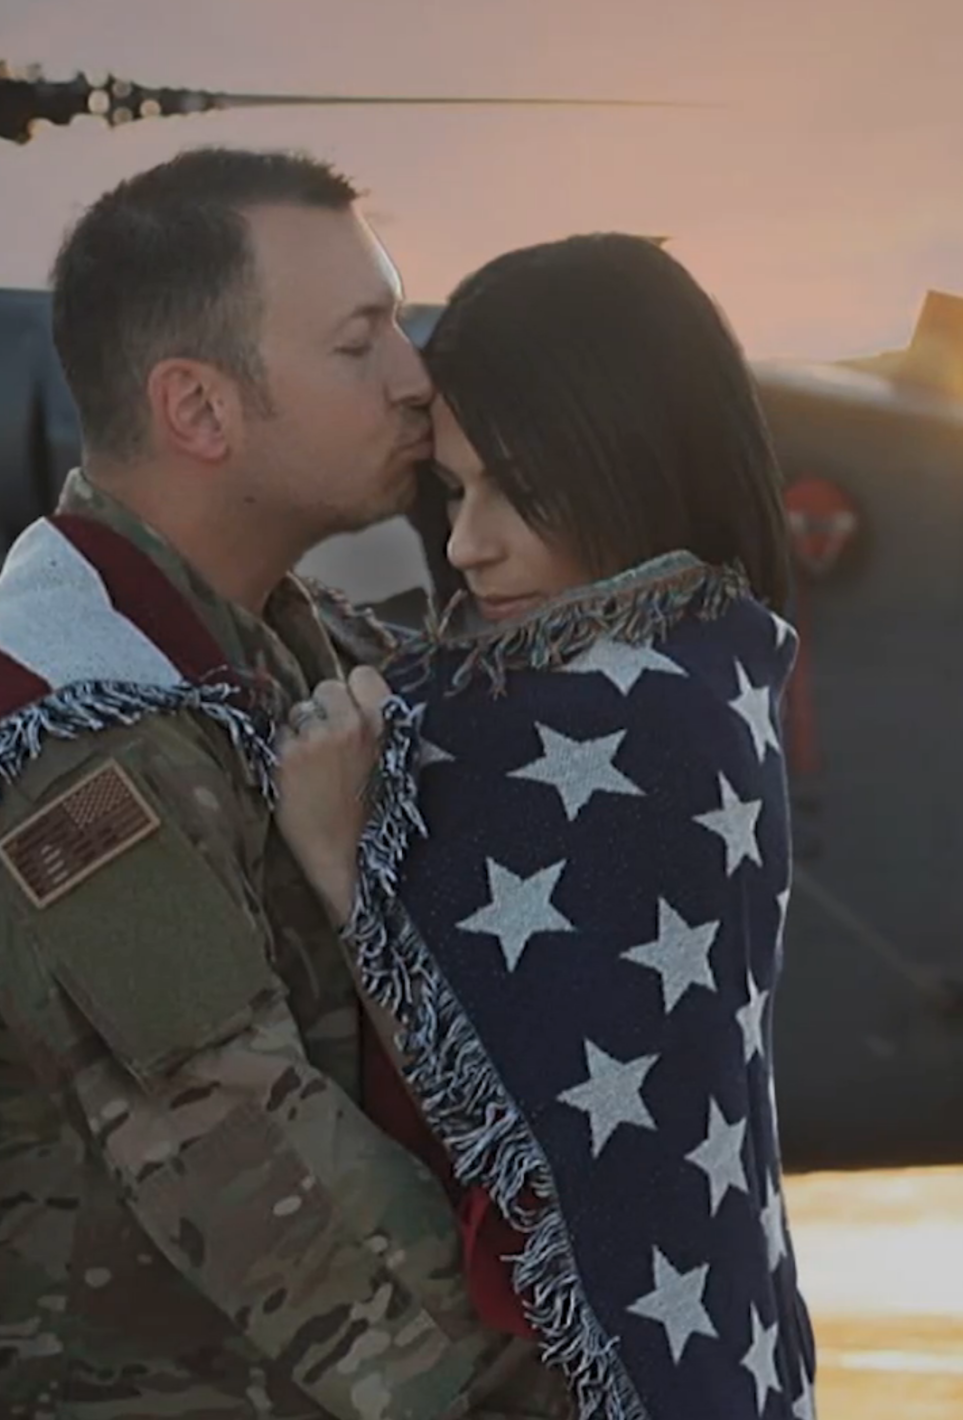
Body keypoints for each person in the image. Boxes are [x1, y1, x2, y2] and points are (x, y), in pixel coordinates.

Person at [0, 147, 571, 1420]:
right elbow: (257, 1175)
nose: (413, 377)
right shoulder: (74, 744)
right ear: (201, 411)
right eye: (359, 342)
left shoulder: (282, 652)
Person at [273, 234, 823, 1420]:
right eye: (455, 489)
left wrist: (340, 865)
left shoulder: (619, 730)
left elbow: (504, 1090)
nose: (469, 544)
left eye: (520, 488)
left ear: (626, 456)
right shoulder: (708, 663)